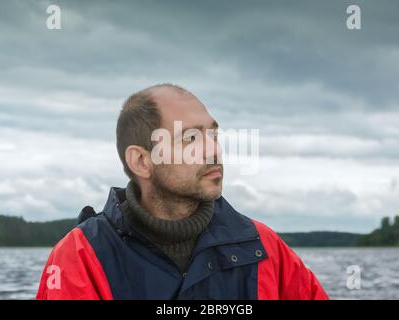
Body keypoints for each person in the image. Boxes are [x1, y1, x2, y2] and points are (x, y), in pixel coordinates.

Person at [36, 84, 329, 300]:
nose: (213, 150)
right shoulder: (81, 257)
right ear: (141, 161)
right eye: (190, 138)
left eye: (213, 135)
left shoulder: (264, 247)